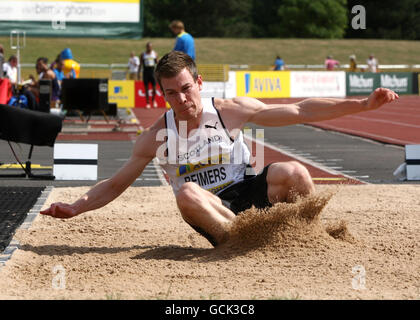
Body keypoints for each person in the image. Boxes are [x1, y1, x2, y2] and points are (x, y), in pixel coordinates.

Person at [40, 51, 399, 247]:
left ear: (199, 82)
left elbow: (301, 110)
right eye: (171, 93)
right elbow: (116, 184)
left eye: (186, 89)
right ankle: (242, 243)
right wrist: (76, 207)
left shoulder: (229, 110)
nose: (181, 100)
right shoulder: (154, 136)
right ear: (161, 94)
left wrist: (362, 105)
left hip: (248, 194)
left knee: (295, 172)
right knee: (188, 193)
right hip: (211, 210)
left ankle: (308, 236)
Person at [139, 42, 159, 108]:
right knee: (146, 89)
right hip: (146, 72)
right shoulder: (143, 54)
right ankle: (147, 103)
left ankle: (153, 100)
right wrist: (138, 73)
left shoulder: (154, 54)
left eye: (150, 47)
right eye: (148, 47)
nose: (149, 48)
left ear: (152, 47)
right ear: (146, 47)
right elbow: (140, 64)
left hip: (152, 72)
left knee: (154, 88)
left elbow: (157, 63)